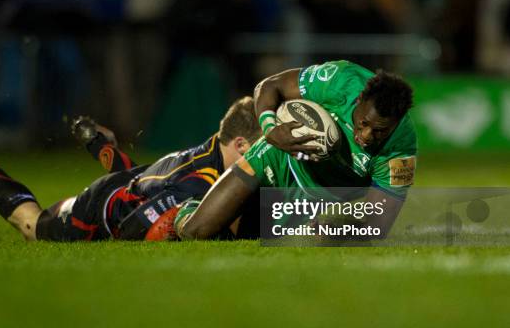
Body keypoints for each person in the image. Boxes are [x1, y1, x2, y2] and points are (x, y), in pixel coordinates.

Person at [0, 96, 261, 241]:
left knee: (137, 177)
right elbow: (131, 228)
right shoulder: (198, 181)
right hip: (100, 208)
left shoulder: (213, 152)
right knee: (33, 226)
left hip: (133, 182)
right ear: (240, 145)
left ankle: (99, 144)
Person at [174, 60, 416, 240]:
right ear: (360, 98)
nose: (366, 136)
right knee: (196, 232)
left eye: (380, 131)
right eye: (363, 123)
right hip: (278, 156)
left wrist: (335, 227)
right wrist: (269, 128)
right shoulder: (340, 81)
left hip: (319, 198)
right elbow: (270, 86)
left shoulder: (401, 148)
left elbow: (377, 225)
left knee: (255, 240)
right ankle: (188, 208)